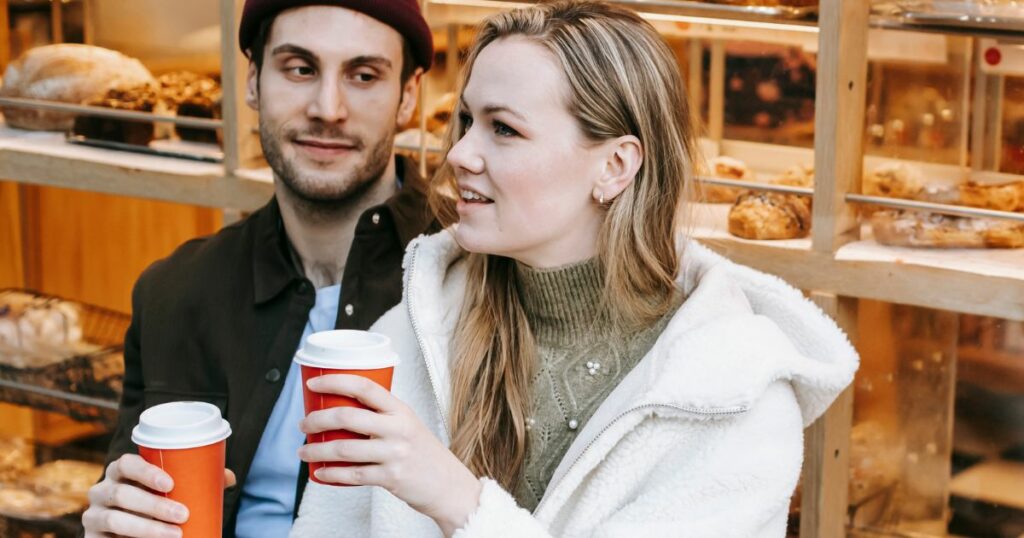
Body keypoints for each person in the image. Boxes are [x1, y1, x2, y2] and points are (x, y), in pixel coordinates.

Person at [289, 1, 859, 537]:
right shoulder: (417, 332)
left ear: (614, 167)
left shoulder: (732, 392)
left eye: (504, 128)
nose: (461, 154)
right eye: (466, 121)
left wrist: (456, 499)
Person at [81, 1, 435, 537]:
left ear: (408, 95)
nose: (328, 108)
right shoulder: (174, 292)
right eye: (300, 68)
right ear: (252, 81)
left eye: (363, 75)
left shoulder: (477, 278)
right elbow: (136, 503)